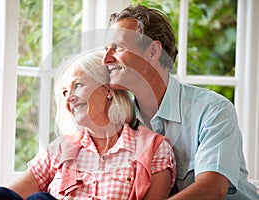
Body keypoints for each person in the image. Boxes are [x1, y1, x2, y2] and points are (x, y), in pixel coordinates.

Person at [0, 52, 176, 200]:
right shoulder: (61, 150)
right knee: (2, 195)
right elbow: (5, 199)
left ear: (108, 89)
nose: (69, 98)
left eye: (78, 86)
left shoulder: (154, 149)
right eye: (64, 92)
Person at [102, 4, 259, 200]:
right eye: (106, 49)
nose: (106, 59)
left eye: (118, 48)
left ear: (152, 51)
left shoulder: (213, 110)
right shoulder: (121, 121)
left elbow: (212, 189)